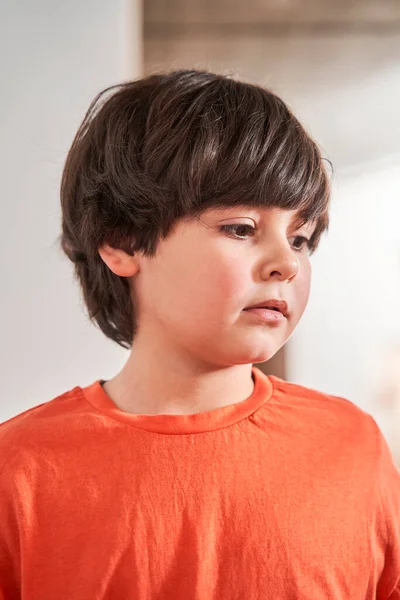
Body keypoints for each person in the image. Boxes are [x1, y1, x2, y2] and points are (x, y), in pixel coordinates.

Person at [0, 70, 399, 600]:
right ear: (122, 241)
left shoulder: (352, 446)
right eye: (240, 229)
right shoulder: (20, 471)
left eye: (302, 239)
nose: (286, 262)